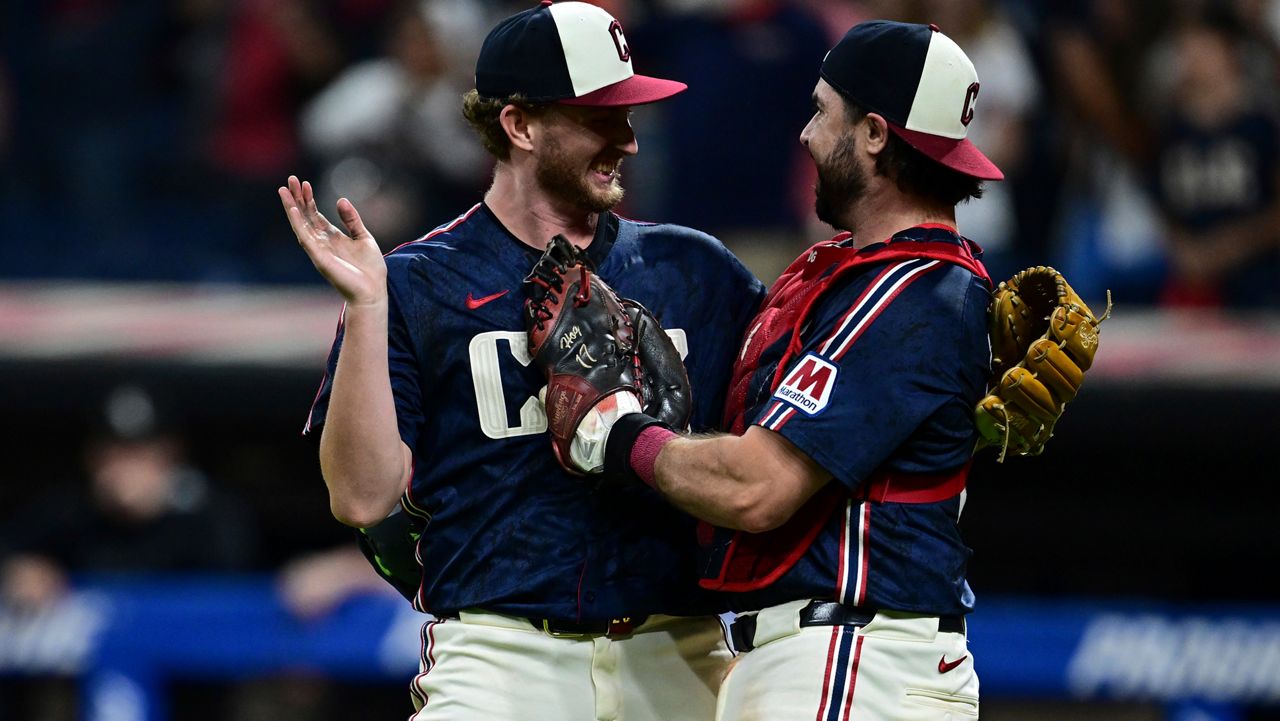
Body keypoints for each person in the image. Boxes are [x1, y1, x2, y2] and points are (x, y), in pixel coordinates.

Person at [278, 2, 765, 720]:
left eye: (629, 114)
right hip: (501, 659)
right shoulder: (417, 282)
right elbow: (360, 496)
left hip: (680, 648)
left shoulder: (697, 271)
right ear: (521, 125)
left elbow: (771, 457)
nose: (627, 141)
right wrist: (366, 308)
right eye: (600, 117)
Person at [538, 21, 1003, 719]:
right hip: (822, 656)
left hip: (852, 659)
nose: (807, 135)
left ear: (875, 134)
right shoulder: (862, 276)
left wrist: (615, 428)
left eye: (822, 110)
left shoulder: (915, 291)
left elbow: (758, 487)